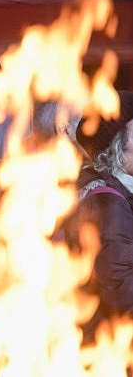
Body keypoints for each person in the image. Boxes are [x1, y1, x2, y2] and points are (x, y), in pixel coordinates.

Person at [66, 90, 133, 341]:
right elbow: (121, 289)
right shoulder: (106, 202)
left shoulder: (119, 192)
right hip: (107, 346)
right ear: (115, 145)